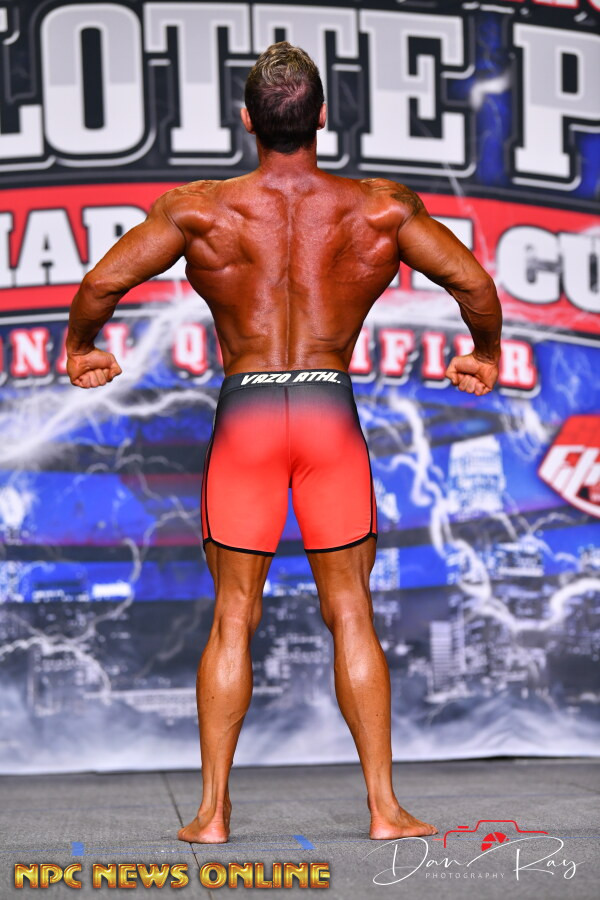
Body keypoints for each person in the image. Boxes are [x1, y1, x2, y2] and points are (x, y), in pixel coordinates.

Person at [66, 42, 502, 844]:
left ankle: (211, 815)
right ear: (323, 118)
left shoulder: (200, 210)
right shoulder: (380, 209)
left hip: (250, 418)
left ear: (247, 120)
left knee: (234, 615)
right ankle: (384, 810)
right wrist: (484, 353)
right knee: (352, 610)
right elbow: (473, 283)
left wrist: (80, 346)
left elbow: (99, 284)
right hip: (329, 415)